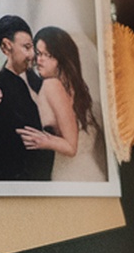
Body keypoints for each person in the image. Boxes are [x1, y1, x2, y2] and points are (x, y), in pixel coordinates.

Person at [0, 14, 53, 183]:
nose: (32, 55)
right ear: (7, 47)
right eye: (26, 47)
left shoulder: (35, 83)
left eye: (33, 48)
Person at [17, 26, 106, 183]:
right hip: (90, 173)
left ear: (62, 57)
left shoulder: (52, 85)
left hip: (70, 177)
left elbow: (71, 147)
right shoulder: (76, 88)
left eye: (47, 55)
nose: (39, 60)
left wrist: (44, 140)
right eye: (38, 54)